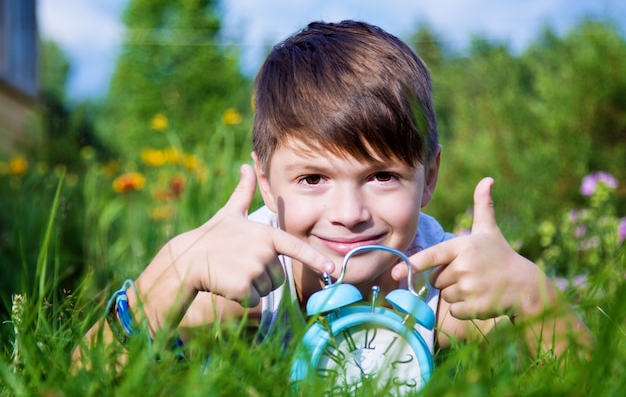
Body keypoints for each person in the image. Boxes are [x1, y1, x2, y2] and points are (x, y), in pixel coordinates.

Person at [75, 20, 590, 370]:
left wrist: (534, 294)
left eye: (382, 176)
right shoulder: (237, 292)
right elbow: (76, 380)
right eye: (312, 179)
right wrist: (166, 277)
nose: (349, 215)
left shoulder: (446, 293)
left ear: (429, 177)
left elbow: (594, 380)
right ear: (266, 180)